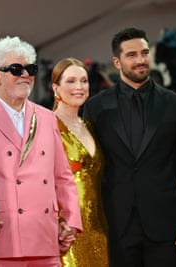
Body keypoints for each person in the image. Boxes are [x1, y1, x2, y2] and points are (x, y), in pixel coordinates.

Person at [83, 27, 176, 267]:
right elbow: (92, 171)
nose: (140, 60)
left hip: (166, 223)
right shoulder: (95, 107)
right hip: (117, 224)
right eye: (132, 55)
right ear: (117, 62)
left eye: (145, 53)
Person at [0, 36, 83, 267]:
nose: (26, 74)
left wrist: (71, 221)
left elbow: (63, 176)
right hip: (2, 241)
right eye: (16, 69)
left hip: (45, 239)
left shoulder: (47, 117)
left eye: (31, 68)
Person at [51, 57, 109, 266]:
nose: (79, 87)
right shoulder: (46, 126)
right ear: (55, 87)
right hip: (66, 232)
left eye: (83, 81)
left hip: (99, 229)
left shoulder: (91, 127)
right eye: (71, 81)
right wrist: (57, 224)